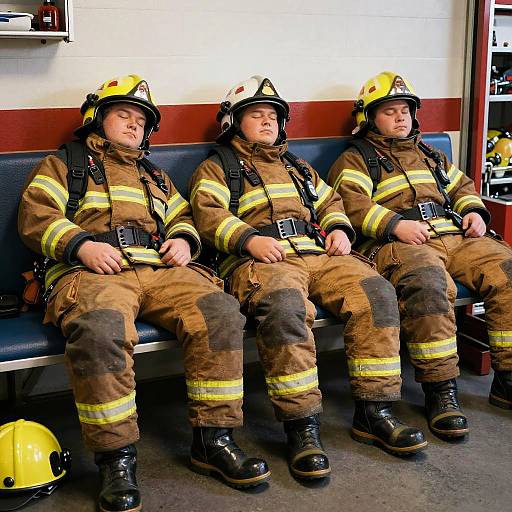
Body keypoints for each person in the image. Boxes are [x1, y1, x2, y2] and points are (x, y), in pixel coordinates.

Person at [18, 74, 270, 511]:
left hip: (158, 271)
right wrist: (83, 245)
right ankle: (116, 459)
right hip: (92, 271)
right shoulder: (64, 165)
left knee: (220, 311)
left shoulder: (153, 175)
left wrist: (183, 241)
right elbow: (36, 215)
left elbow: (183, 217)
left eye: (141, 120)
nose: (135, 125)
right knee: (100, 329)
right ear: (97, 118)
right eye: (124, 115)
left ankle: (214, 440)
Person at [189, 75, 427, 479]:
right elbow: (209, 215)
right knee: (285, 307)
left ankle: (375, 412)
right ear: (232, 122)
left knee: (377, 293)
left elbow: (331, 202)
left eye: (273, 116)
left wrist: (337, 229)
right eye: (256, 115)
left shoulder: (297, 166)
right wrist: (249, 241)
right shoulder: (217, 167)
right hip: (261, 261)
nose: (267, 122)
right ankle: (302, 428)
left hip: (318, 253)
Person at [328, 71, 512, 440]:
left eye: (405, 110)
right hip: (399, 244)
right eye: (390, 111)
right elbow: (352, 204)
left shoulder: (432, 154)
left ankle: (506, 380)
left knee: (507, 270)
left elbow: (461, 187)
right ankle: (441, 392)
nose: (401, 117)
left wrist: (474, 212)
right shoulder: (357, 159)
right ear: (368, 118)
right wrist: (395, 225)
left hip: (454, 234)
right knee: (429, 284)